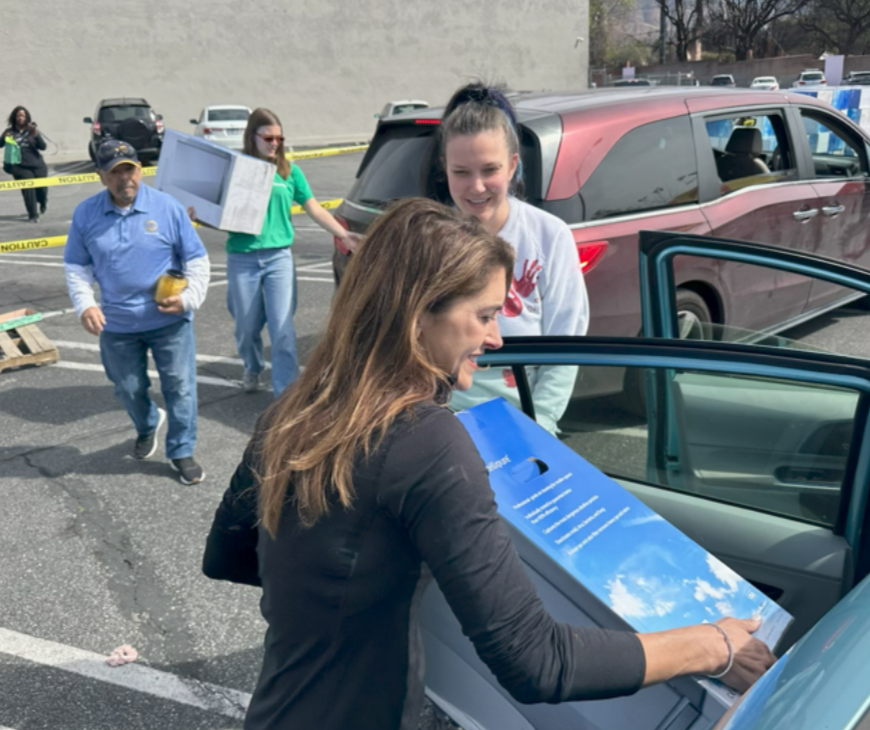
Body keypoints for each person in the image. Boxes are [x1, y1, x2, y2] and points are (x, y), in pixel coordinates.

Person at [202, 198, 774, 730]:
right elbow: (538, 661)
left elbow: (229, 555)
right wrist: (711, 645)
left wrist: (347, 591)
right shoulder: (425, 440)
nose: (496, 338)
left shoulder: (295, 408)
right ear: (417, 316)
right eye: (483, 316)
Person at [427, 83, 588, 433]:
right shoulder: (428, 238)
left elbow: (566, 340)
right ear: (444, 168)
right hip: (442, 420)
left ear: (513, 165)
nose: (477, 186)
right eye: (461, 172)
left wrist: (539, 425)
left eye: (490, 170)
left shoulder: (550, 235)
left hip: (524, 420)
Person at [63, 139, 210, 485]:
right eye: (114, 172)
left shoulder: (167, 208)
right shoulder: (86, 214)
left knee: (181, 387)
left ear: (139, 170)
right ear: (101, 176)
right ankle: (147, 423)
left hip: (169, 320)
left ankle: (181, 450)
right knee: (126, 387)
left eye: (129, 169)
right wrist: (85, 304)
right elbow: (76, 266)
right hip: (117, 324)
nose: (123, 178)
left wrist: (189, 299)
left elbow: (197, 259)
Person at [190, 107, 360, 396]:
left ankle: (286, 393)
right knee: (246, 328)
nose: (274, 144)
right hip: (242, 258)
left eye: (279, 139)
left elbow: (314, 208)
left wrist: (343, 233)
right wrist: (199, 215)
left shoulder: (289, 172)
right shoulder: (238, 170)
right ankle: (252, 365)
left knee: (282, 331)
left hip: (279, 258)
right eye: (268, 138)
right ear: (252, 137)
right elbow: (221, 214)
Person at [1, 105, 49, 222]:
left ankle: (42, 202)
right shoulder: (9, 132)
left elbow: (43, 147)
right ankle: (33, 215)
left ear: (27, 117)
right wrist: (4, 138)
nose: (20, 118)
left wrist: (36, 134)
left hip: (37, 164)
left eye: (23, 115)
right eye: (18, 115)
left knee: (42, 189)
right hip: (19, 166)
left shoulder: (32, 130)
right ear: (14, 117)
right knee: (28, 190)